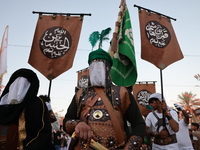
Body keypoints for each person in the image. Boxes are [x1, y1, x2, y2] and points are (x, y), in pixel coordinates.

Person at [63, 48, 146, 149]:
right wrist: (77, 124)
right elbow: (67, 120)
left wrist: (129, 147)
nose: (96, 70)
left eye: (100, 66)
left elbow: (139, 124)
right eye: (93, 66)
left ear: (108, 68)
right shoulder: (80, 94)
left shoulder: (123, 93)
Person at [0, 68, 55, 150]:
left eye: (24, 85)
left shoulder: (37, 105)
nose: (19, 89)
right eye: (16, 83)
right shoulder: (3, 103)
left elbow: (43, 133)